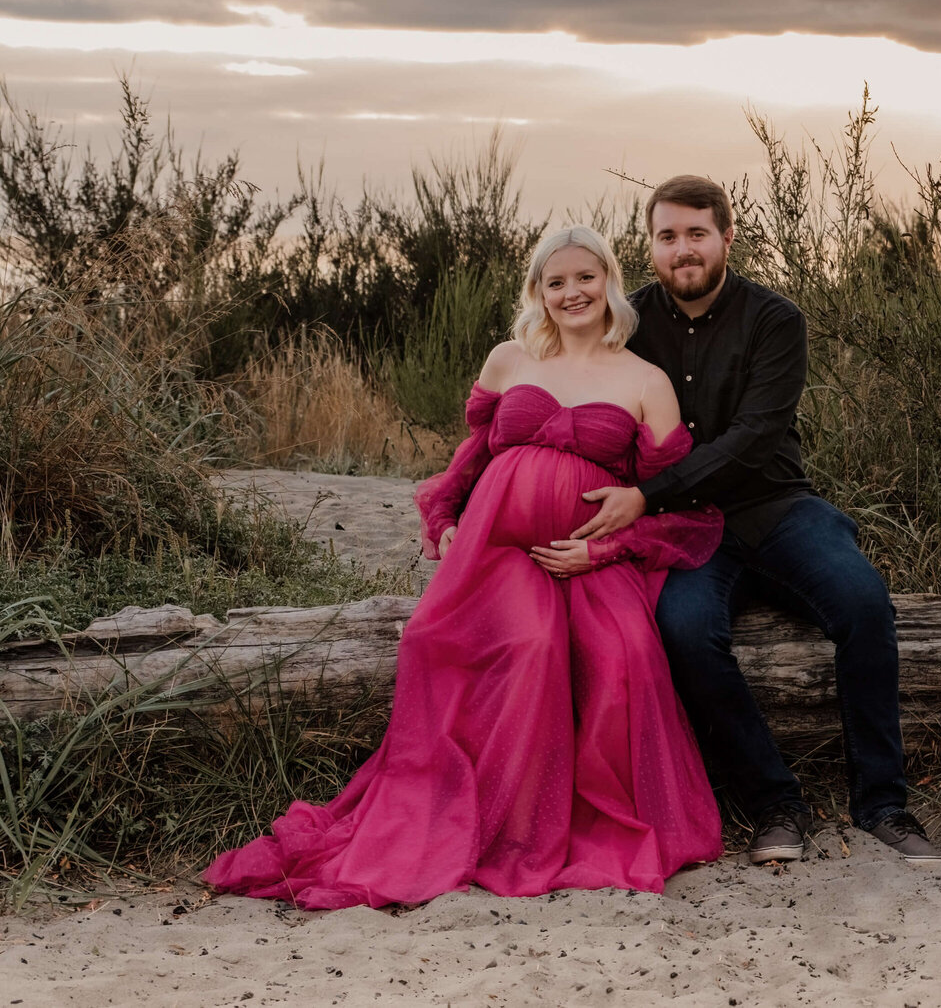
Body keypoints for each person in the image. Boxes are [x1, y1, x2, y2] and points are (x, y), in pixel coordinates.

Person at [203, 226, 726, 908]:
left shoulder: (645, 380)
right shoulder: (510, 359)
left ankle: (558, 826)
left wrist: (600, 548)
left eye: (585, 278)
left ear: (610, 283)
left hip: (590, 561)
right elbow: (472, 454)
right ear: (537, 291)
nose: (572, 292)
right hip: (498, 552)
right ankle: (495, 826)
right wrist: (444, 515)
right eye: (555, 281)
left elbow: (675, 502)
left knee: (624, 653)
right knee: (518, 647)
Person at [570, 175, 941, 865]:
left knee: (864, 602)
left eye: (697, 234)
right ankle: (773, 802)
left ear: (727, 238)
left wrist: (646, 495)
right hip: (684, 530)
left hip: (776, 507)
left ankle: (883, 802)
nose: (683, 249)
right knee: (682, 629)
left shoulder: (775, 319)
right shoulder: (626, 324)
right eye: (668, 236)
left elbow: (754, 437)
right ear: (649, 245)